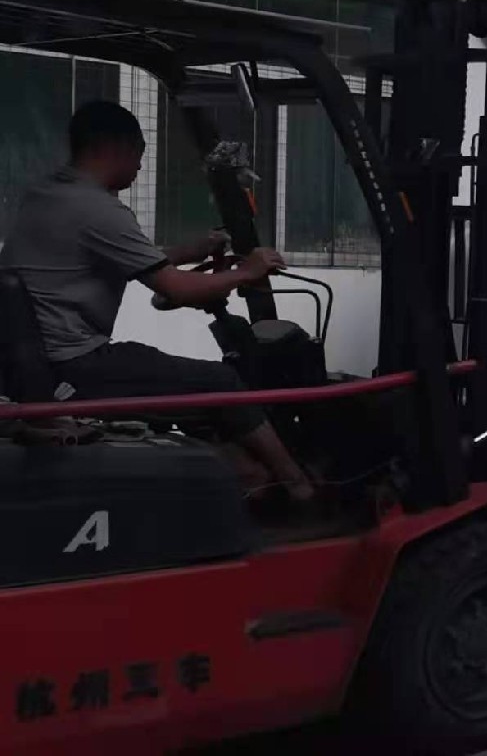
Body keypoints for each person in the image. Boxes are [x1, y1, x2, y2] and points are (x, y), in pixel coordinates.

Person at [0, 101, 313, 501]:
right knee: (220, 382)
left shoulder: (48, 193)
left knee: (179, 380)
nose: (140, 167)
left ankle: (245, 474)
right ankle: (299, 485)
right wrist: (248, 271)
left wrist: (191, 251)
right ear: (114, 148)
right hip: (73, 365)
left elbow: (124, 256)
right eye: (139, 154)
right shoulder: (99, 209)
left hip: (39, 361)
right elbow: (175, 289)